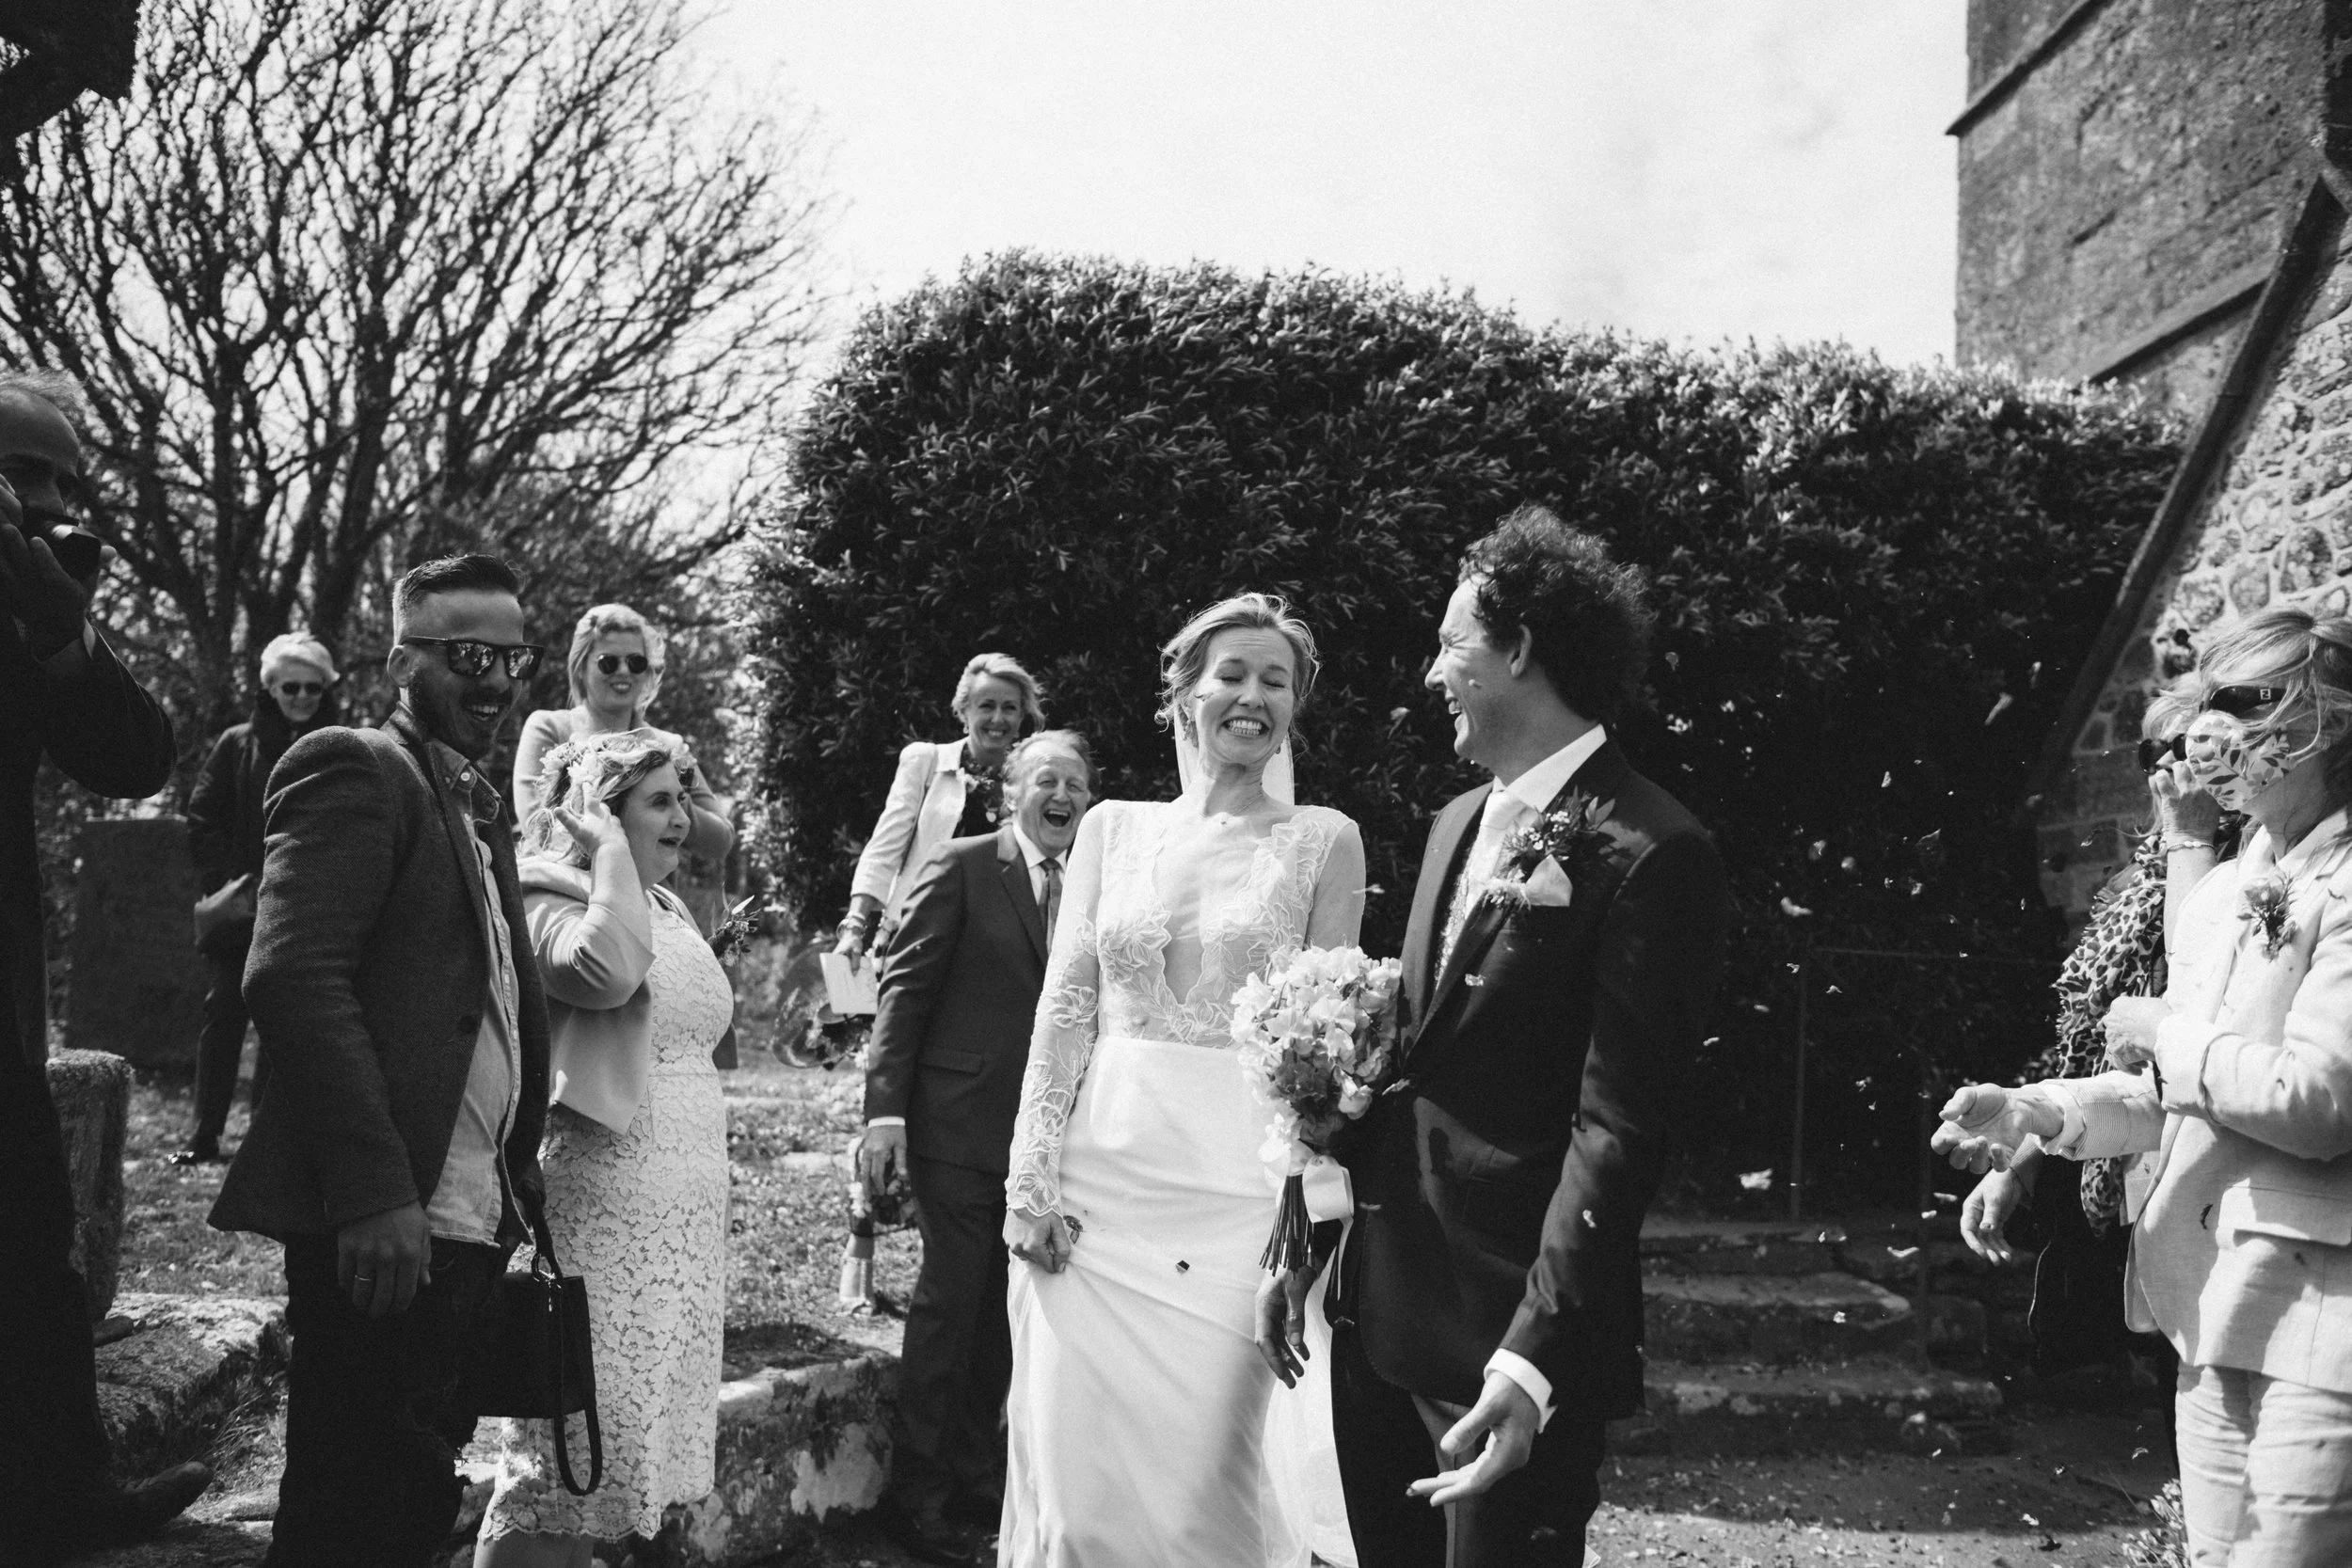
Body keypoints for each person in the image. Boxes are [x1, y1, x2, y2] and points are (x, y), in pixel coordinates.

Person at [1269, 505, 1729, 1568]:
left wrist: (1530, 1362)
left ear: (1518, 648)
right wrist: (1314, 1242)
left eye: (1450, 642)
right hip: (1383, 1318)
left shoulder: (1656, 850)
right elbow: (1406, 1070)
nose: (1432, 671)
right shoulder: (1452, 825)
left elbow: (1616, 1130)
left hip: (1508, 1350)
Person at [1936, 605, 2352, 1566]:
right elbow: (2171, 1092)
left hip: (2325, 1328)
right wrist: (2037, 1111)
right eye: (2211, 703)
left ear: (2322, 723)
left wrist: (2164, 1030)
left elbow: (2319, 1101)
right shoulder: (2234, 884)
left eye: (2244, 704)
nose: (2213, 733)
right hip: (2211, 1307)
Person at [998, 594, 1367, 1568]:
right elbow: (1063, 1008)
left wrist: (1305, 1222)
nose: (1253, 696)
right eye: (1231, 674)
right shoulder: (1110, 829)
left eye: (1275, 681)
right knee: (1078, 1502)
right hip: (1096, 1196)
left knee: (1209, 1498)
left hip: (1237, 1204)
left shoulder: (1326, 839)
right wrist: (1028, 1181)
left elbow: (1329, 1051)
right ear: (1184, 695)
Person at [211, 553, 552, 1568]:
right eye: (468, 655)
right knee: (349, 1513)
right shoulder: (356, 765)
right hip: (387, 1222)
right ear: (402, 660)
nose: (496, 680)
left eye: (514, 659)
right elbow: (292, 976)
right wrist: (373, 1192)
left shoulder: (474, 803)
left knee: (406, 1501)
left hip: (464, 1217)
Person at [0, 370, 211, 1561]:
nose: (46, 501)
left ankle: (63, 1498)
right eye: (19, 471)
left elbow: (135, 756)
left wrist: (61, 633)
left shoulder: (34, 604)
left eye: (63, 482)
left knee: (32, 1242)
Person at [476, 731, 733, 1565]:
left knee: (619, 1459)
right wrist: (607, 855)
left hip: (682, 1219)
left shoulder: (669, 906)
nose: (682, 815)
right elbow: (605, 974)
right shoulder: (548, 890)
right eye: (659, 800)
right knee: (565, 1461)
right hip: (606, 1206)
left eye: (683, 797)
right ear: (600, 811)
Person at [861, 729, 1096, 1565]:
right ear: (1011, 792)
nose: (1061, 795)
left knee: (1003, 1315)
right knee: (951, 1303)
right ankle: (915, 1496)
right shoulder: (961, 864)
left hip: (1043, 1142)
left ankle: (972, 1480)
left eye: (1075, 783)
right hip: (955, 1126)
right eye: (1045, 780)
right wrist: (883, 1114)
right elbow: (904, 991)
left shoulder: (1093, 881)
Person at [1959, 688, 2219, 1399]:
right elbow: (2083, 1050)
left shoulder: (2237, 875)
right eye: (2152, 751)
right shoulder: (2137, 882)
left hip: (2202, 1184)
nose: (2166, 767)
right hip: (2118, 1174)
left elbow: (2189, 1017)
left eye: (2185, 747)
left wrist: (2190, 840)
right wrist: (2016, 1165)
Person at [177, 631, 343, 1165]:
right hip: (244, 904)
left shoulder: (342, 746)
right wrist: (226, 881)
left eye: (313, 688)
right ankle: (204, 1136)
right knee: (223, 1013)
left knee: (284, 1026)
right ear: (270, 687)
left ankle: (261, 1143)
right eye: (290, 687)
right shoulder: (237, 743)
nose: (301, 697)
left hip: (306, 907)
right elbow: (203, 816)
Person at [833, 652, 1045, 958]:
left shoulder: (1032, 781)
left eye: (1009, 708)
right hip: (916, 937)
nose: (998, 719)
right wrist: (854, 926)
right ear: (963, 711)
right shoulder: (926, 762)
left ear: (1021, 716)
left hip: (996, 951)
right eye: (986, 706)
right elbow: (885, 846)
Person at [512, 603, 731, 862]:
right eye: (609, 663)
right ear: (581, 669)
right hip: (568, 883)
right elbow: (537, 828)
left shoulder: (668, 746)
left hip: (649, 887)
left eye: (636, 662)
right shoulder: (550, 728)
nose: (624, 671)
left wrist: (672, 795)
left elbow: (721, 842)